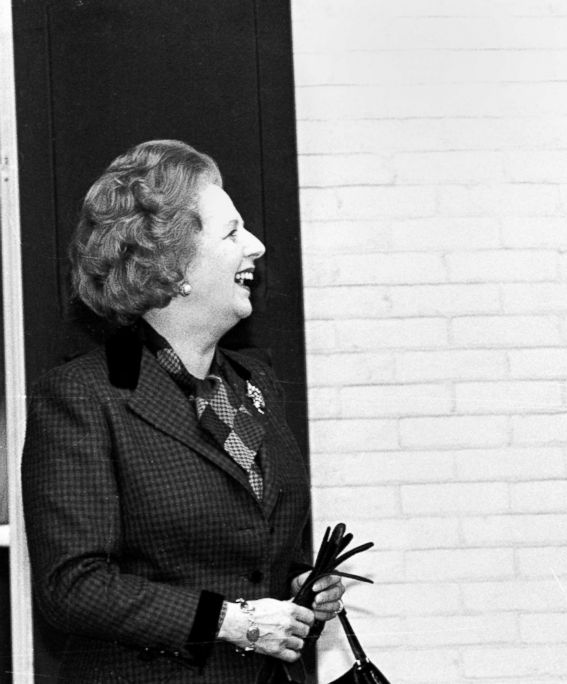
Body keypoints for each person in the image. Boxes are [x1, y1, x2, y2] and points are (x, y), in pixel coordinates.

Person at [22, 139, 344, 683]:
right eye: (232, 232)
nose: (258, 246)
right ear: (175, 266)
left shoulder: (254, 383)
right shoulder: (84, 395)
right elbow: (71, 586)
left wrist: (296, 585)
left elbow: (249, 554)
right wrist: (230, 621)